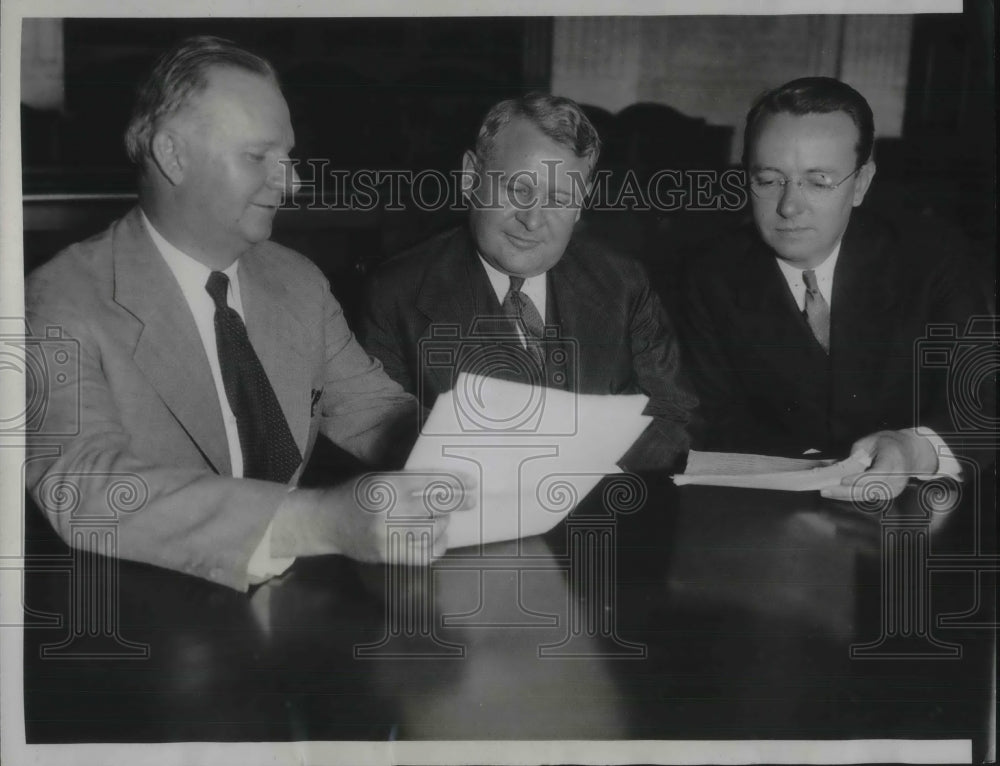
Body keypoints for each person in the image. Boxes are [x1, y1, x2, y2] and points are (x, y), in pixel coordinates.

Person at [24, 37, 471, 591]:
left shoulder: (297, 280)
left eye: (288, 158)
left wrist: (476, 455)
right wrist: (320, 521)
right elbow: (83, 486)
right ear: (173, 155)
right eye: (258, 157)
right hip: (134, 621)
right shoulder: (54, 299)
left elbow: (375, 414)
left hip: (281, 614)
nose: (293, 183)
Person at [680, 76, 989, 499]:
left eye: (819, 181)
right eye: (769, 180)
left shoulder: (932, 260)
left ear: (861, 183)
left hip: (914, 516)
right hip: (764, 519)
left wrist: (913, 449)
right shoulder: (708, 274)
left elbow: (983, 407)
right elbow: (704, 419)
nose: (789, 206)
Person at [359, 94, 696, 472]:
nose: (533, 221)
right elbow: (385, 443)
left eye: (559, 199)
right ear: (471, 177)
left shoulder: (623, 282)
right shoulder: (397, 292)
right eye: (519, 190)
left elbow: (671, 415)